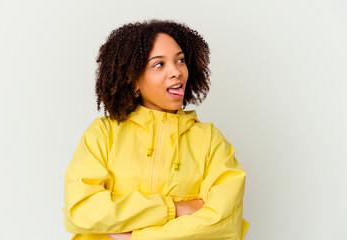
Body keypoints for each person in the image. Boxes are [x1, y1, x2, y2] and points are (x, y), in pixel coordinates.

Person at [63, 19, 249, 240]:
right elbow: (82, 211)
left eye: (180, 60)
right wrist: (173, 208)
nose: (176, 71)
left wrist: (133, 237)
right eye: (159, 64)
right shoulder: (103, 135)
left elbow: (225, 223)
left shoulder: (210, 141)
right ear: (134, 81)